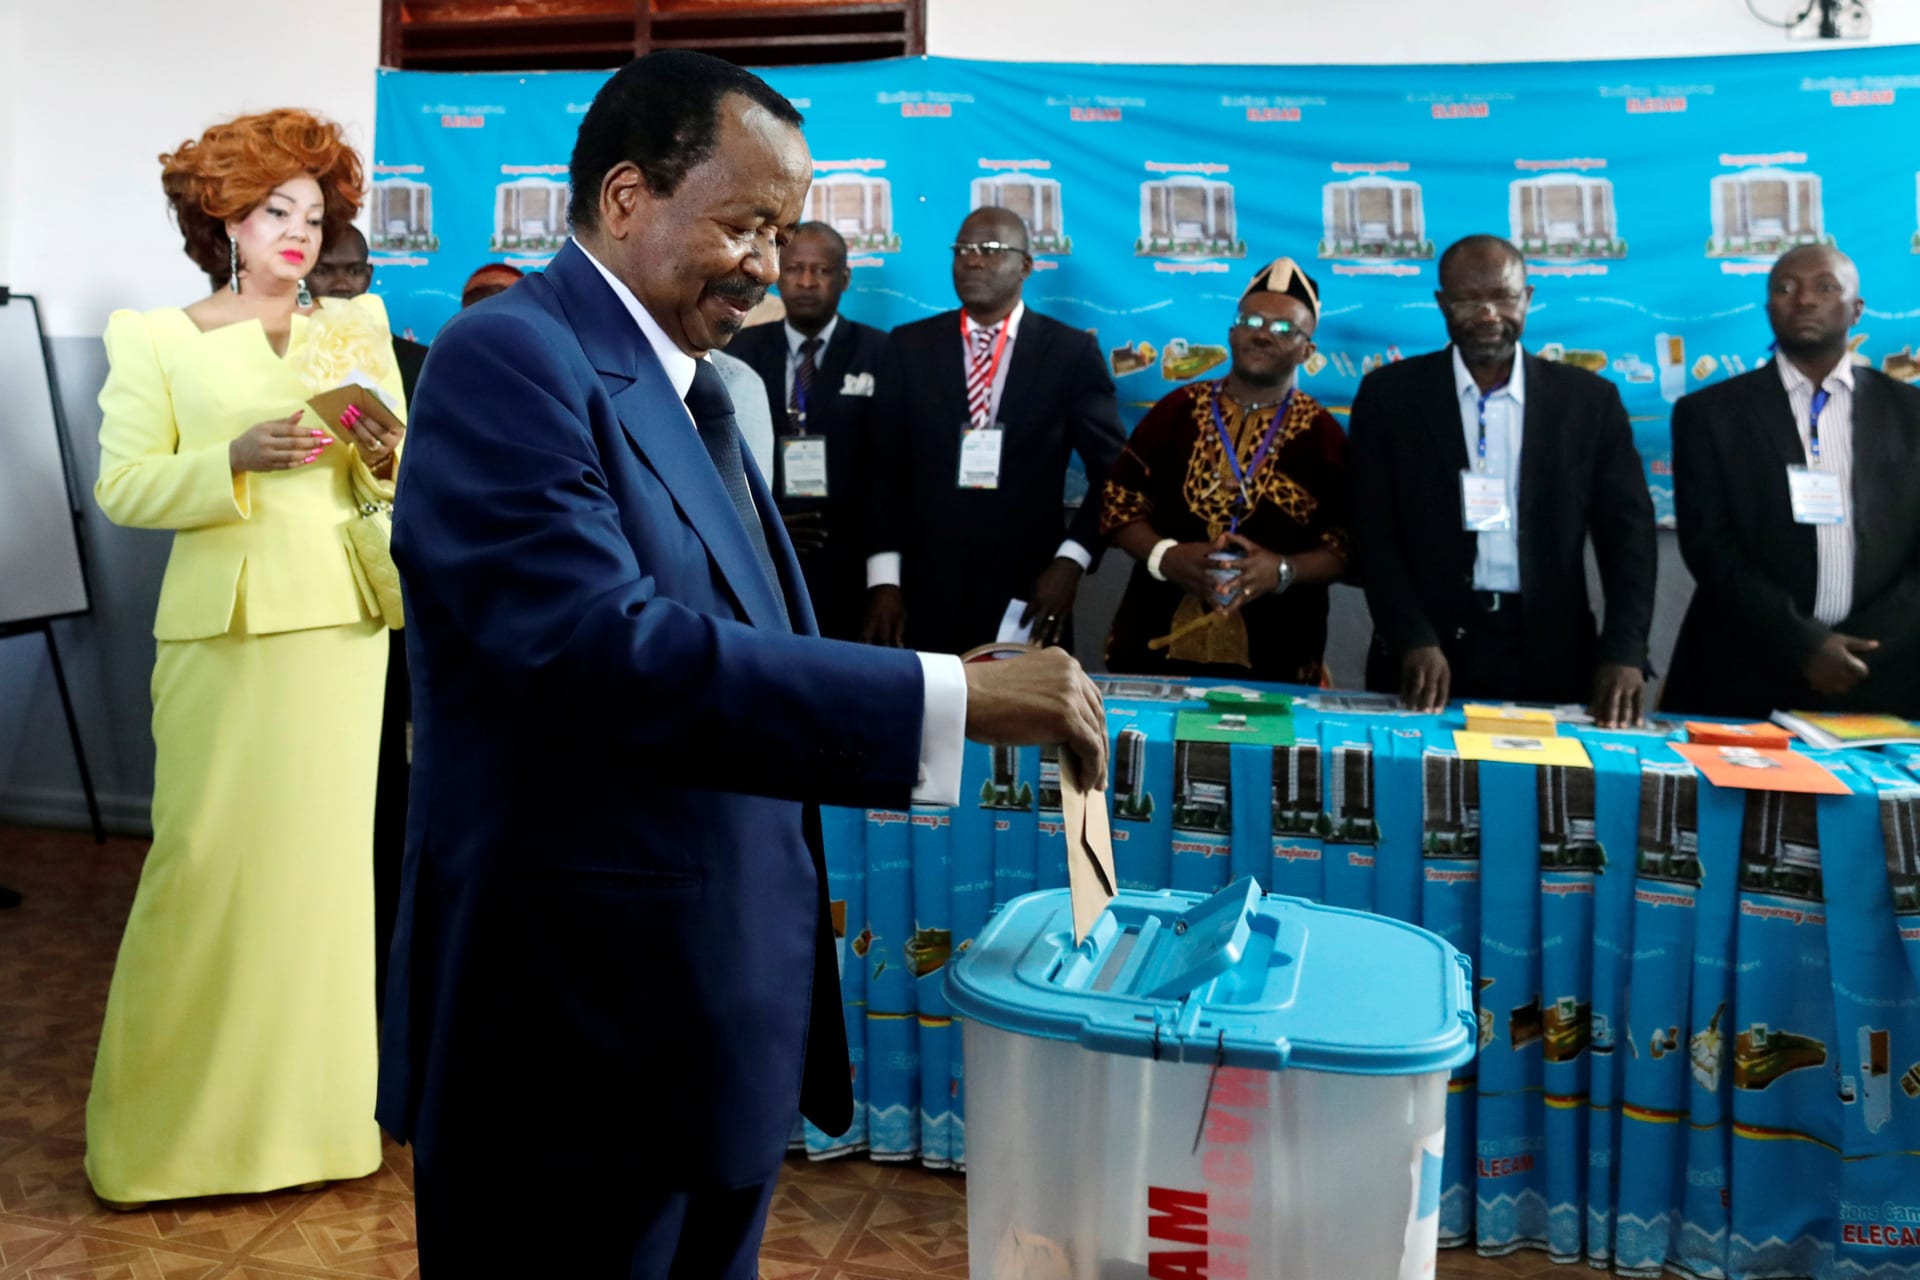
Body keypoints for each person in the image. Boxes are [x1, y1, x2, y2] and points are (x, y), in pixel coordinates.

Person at [377, 51, 1106, 1277]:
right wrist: (953, 697)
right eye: (745, 225)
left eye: (782, 230)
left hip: (710, 1032)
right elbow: (603, 653)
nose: (770, 266)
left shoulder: (703, 389)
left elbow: (753, 649)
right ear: (625, 200)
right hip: (574, 1046)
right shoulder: (509, 361)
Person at [89, 109, 405, 1208]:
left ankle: (318, 1128)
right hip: (222, 636)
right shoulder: (155, 337)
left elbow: (395, 476)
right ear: (221, 212)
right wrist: (232, 455)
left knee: (321, 890)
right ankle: (156, 1143)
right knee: (203, 872)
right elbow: (125, 487)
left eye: (316, 215)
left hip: (338, 628)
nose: (300, 233)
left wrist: (374, 443)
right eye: (277, 208)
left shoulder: (356, 325)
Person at [1348, 234, 1656, 724]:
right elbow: (1373, 533)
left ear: (1527, 299)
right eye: (1469, 300)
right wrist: (1412, 637)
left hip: (1553, 654)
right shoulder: (1391, 398)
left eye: (1503, 297)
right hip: (1424, 657)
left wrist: (1625, 651)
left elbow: (1630, 539)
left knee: (1550, 796)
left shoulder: (1588, 402)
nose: (1489, 314)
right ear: (1442, 304)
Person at [1664, 246, 1920, 719]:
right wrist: (1804, 643)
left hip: (1885, 674)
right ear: (1767, 309)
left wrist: (1863, 650)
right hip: (1746, 668)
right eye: (1785, 288)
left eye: (1825, 287)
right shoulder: (1710, 415)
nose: (1803, 300)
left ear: (1857, 310)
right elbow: (1710, 547)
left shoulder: (1911, 413)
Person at [863, 206, 1127, 655]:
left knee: (1026, 721)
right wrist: (884, 581)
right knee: (930, 721)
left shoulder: (1069, 352)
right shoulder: (908, 345)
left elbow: (1114, 473)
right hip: (925, 592)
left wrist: (1070, 563)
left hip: (1031, 590)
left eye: (990, 250)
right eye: (962, 250)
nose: (973, 261)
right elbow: (881, 471)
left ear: (1026, 265)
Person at [1101, 258, 1350, 682]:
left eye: (1285, 328)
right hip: (1152, 642)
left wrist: (1282, 570)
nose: (1263, 334)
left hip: (1280, 652)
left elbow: (1346, 545)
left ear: (1308, 351)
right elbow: (1117, 505)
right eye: (1251, 320)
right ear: (1232, 332)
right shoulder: (1176, 411)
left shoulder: (1324, 437)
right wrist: (1166, 557)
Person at [728, 221, 888, 639]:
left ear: (845, 278)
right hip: (766, 558)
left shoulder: (882, 352)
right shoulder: (736, 351)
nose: (806, 282)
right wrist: (763, 521)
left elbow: (891, 469)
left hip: (852, 563)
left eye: (821, 271)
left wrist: (885, 579)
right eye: (795, 267)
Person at [308, 222, 428, 400]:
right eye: (322, 271)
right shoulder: (286, 356)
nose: (341, 285)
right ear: (302, 275)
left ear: (368, 275)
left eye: (354, 271)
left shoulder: (418, 363)